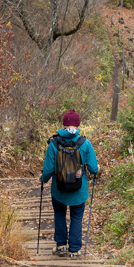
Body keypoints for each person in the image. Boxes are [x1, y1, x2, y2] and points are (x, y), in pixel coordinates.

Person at [40, 109, 99, 257]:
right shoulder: (85, 143)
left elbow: (48, 169)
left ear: (63, 124)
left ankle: (61, 246)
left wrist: (43, 179)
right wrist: (97, 168)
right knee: (76, 217)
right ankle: (74, 249)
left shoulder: (54, 143)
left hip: (59, 189)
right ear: (78, 125)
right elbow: (92, 168)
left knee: (59, 214)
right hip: (79, 190)